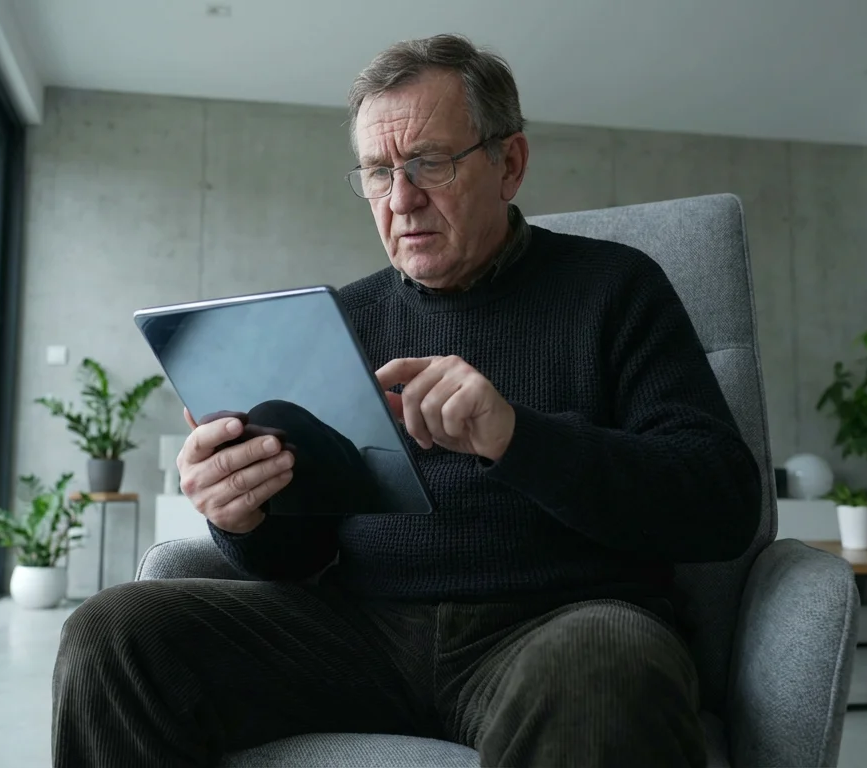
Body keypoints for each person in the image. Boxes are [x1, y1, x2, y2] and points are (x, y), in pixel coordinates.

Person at [52, 33, 761, 767]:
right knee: (113, 634)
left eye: (429, 163)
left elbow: (722, 503)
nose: (402, 199)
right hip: (361, 633)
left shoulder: (616, 289)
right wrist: (244, 513)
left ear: (509, 163)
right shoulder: (346, 319)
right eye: (378, 172)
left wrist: (516, 437)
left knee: (606, 669)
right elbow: (302, 552)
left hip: (554, 628)